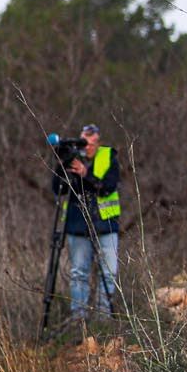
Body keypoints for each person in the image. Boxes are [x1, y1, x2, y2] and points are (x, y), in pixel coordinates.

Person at [56, 122, 121, 322]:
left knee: (109, 273)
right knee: (78, 273)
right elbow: (57, 188)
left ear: (98, 141)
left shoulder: (108, 156)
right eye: (84, 141)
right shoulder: (71, 160)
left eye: (91, 141)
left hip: (105, 224)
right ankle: (79, 317)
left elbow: (108, 187)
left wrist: (86, 174)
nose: (88, 145)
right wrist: (62, 163)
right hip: (77, 226)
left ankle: (104, 317)